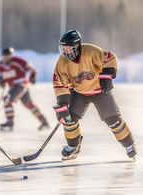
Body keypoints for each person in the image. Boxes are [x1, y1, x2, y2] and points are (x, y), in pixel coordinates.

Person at [53, 30, 137, 161]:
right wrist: (63, 103)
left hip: (100, 91)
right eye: (63, 47)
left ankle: (129, 145)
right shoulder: (62, 61)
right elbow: (59, 82)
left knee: (113, 121)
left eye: (68, 47)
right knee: (69, 120)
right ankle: (73, 146)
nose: (65, 51)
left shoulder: (90, 51)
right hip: (79, 93)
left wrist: (106, 75)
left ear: (76, 46)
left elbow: (110, 57)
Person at [0, 47, 49, 131]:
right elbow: (5, 77)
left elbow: (33, 69)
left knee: (7, 99)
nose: (5, 58)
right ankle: (43, 120)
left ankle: (10, 121)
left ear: (10, 56)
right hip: (14, 87)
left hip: (21, 85)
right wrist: (1, 81)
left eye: (7, 56)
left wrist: (33, 77)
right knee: (28, 104)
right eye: (3, 56)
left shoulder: (18, 61)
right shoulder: (0, 66)